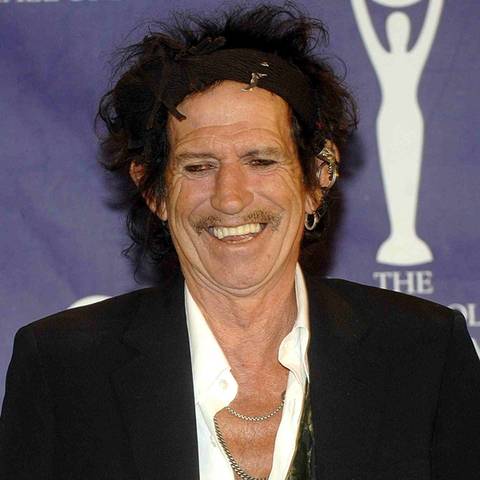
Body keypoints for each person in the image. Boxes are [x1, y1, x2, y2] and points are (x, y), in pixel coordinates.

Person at [1, 4, 479, 480]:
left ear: (316, 178)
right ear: (154, 191)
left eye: (261, 161)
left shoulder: (424, 352)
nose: (230, 198)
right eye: (198, 166)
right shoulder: (63, 368)